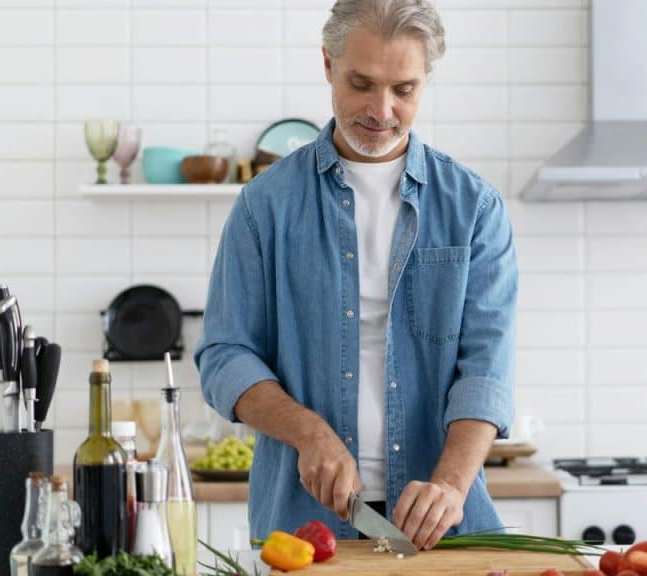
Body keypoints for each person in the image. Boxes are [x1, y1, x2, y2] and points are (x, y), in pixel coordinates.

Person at [195, 0, 517, 551]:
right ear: (327, 63)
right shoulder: (264, 207)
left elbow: (485, 369)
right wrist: (309, 432)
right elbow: (225, 355)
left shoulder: (475, 208)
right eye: (362, 83)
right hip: (305, 526)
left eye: (404, 90)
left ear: (425, 81)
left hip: (443, 530)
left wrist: (449, 485)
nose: (382, 109)